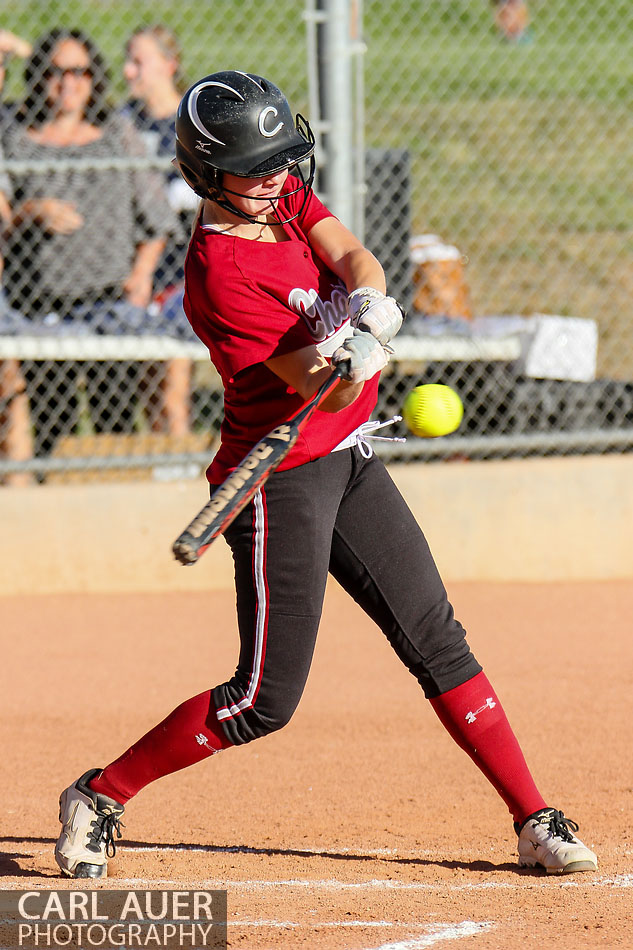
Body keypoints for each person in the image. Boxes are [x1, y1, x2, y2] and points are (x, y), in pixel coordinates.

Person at [54, 70, 597, 879]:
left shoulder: (280, 201)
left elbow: (350, 252)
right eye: (253, 163)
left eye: (281, 156)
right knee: (262, 700)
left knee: (436, 637)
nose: (275, 174)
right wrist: (356, 359)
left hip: (346, 458)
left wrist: (373, 304)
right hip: (277, 483)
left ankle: (533, 817)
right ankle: (101, 793)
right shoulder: (219, 273)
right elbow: (321, 383)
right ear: (207, 174)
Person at [2, 28, 178, 456]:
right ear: (40, 77)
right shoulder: (19, 141)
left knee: (112, 424)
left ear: (93, 77)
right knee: (51, 426)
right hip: (39, 307)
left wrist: (140, 276)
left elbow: (157, 221)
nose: (68, 82)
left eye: (79, 71)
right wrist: (32, 212)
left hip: (107, 302)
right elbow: (4, 222)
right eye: (56, 71)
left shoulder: (118, 137)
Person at [119, 24, 199, 434]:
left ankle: (180, 463)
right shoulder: (122, 123)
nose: (128, 72)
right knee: (148, 388)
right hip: (132, 274)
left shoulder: (192, 124)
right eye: (126, 62)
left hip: (180, 273)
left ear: (170, 65)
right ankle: (161, 464)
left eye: (139, 62)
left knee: (170, 382)